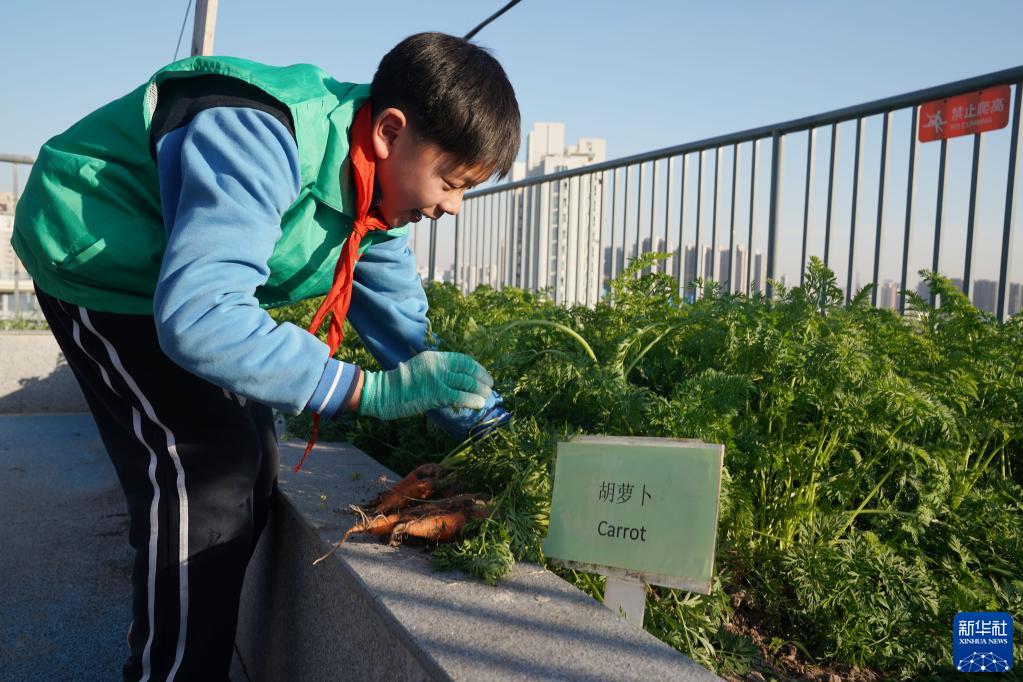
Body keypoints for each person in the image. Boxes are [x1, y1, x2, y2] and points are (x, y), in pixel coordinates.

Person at [11, 32, 519, 680]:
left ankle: (186, 639)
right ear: (391, 131)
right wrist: (370, 393)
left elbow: (406, 337)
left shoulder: (378, 209)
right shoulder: (257, 134)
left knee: (254, 447)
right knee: (205, 466)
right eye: (451, 181)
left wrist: (488, 420)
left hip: (172, 284)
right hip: (97, 258)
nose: (452, 206)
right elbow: (199, 317)